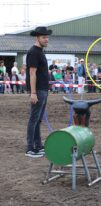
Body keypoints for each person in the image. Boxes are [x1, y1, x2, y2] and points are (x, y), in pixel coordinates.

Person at [25, 26, 52, 158]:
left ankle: (38, 146)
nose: (46, 39)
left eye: (47, 37)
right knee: (33, 119)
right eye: (44, 37)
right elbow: (32, 73)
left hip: (43, 89)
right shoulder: (34, 52)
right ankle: (30, 148)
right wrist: (33, 93)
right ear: (37, 38)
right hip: (38, 91)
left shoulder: (40, 51)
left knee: (38, 120)